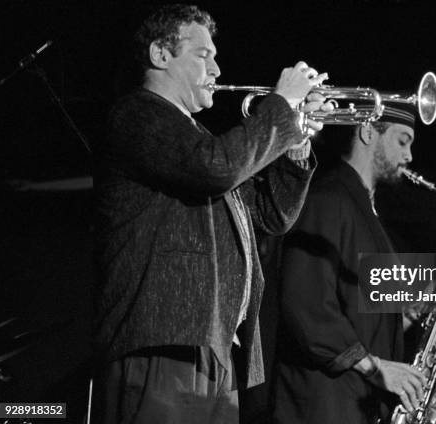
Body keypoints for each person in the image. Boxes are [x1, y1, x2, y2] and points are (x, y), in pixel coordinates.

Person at [92, 4, 332, 423]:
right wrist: (279, 104)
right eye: (204, 56)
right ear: (160, 55)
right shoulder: (138, 114)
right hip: (164, 343)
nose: (218, 70)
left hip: (216, 348)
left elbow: (273, 217)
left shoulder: (198, 140)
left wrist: (297, 137)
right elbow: (216, 167)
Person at [273, 103, 428, 423]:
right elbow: (306, 305)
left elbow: (358, 315)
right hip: (321, 406)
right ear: (367, 131)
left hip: (351, 404)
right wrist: (375, 367)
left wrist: (414, 311)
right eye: (402, 141)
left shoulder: (364, 211)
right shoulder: (328, 199)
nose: (410, 155)